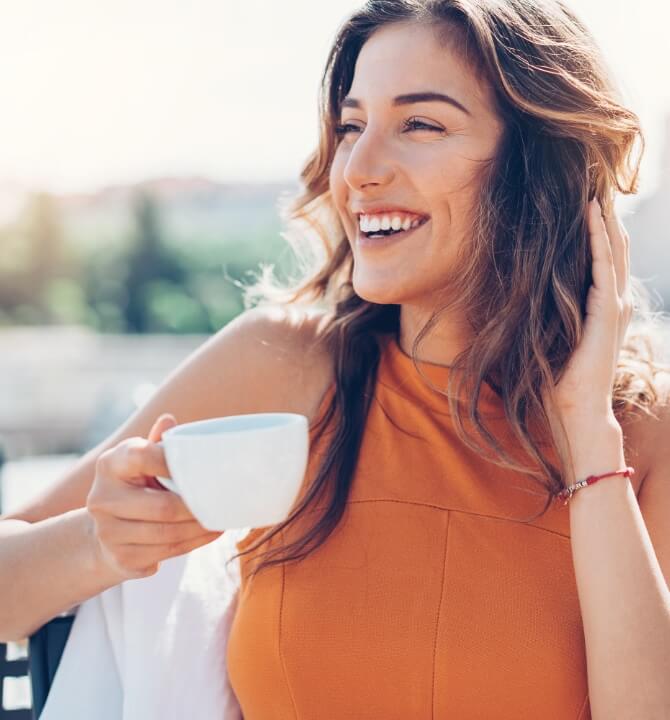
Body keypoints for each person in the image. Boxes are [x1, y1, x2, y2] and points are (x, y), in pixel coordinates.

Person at [1, 0, 669, 717]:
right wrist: (102, 543)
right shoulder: (286, 365)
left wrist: (587, 435)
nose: (358, 169)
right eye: (352, 126)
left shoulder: (640, 435)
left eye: (420, 124)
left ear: (538, 169)